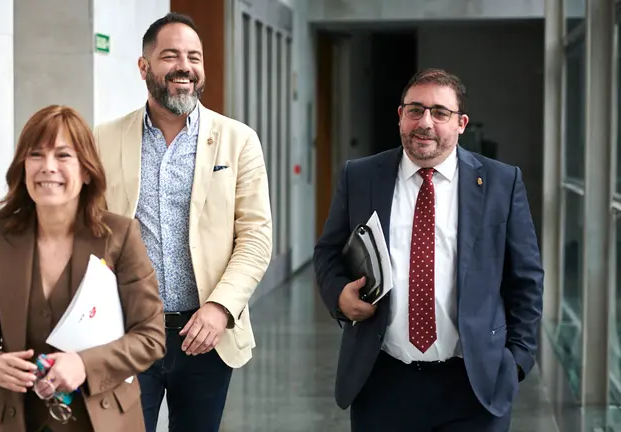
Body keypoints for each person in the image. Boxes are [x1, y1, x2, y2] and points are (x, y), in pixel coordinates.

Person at [313, 68, 544, 432]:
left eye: (440, 113)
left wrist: (517, 360)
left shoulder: (501, 182)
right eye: (415, 110)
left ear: (461, 123)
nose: (426, 123)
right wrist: (338, 296)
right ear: (400, 116)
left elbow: (526, 278)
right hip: (382, 380)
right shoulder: (360, 176)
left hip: (474, 384)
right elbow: (327, 253)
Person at [93, 12, 272, 432]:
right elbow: (88, 231)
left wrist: (220, 307)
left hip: (205, 336)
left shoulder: (238, 140)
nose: (184, 67)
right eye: (170, 56)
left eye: (194, 56)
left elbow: (255, 236)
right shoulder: (104, 138)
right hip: (128, 334)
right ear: (144, 67)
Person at [0, 105, 166, 432]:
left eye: (63, 155)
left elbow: (151, 337)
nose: (48, 167)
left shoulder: (121, 236)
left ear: (86, 171)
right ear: (23, 167)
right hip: (19, 419)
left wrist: (85, 365)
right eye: (36, 155)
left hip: (105, 418)